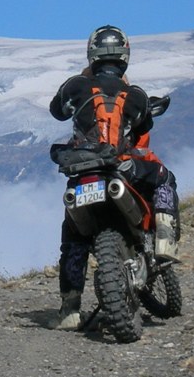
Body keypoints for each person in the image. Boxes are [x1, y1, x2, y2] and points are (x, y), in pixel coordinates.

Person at [48, 24, 180, 330]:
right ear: (125, 56)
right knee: (164, 177)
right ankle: (164, 237)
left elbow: (57, 111)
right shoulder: (134, 94)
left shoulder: (75, 86)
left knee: (73, 237)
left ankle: (69, 308)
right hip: (120, 168)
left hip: (81, 173)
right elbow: (144, 128)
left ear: (91, 53)